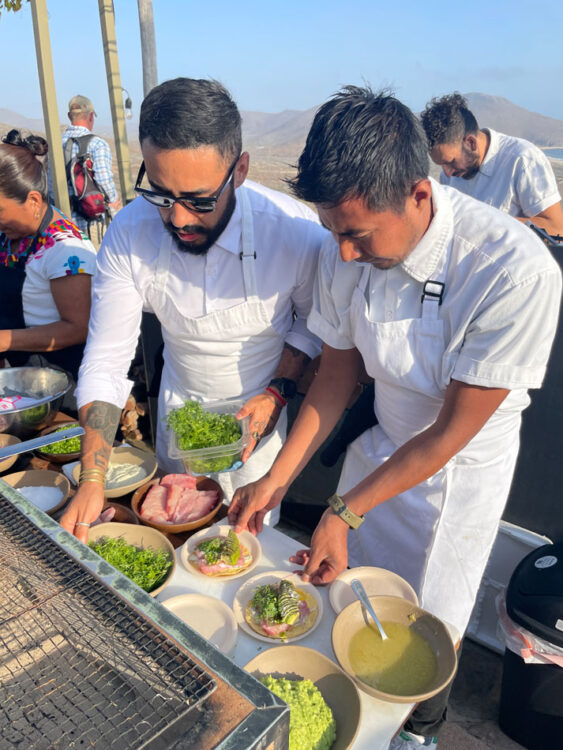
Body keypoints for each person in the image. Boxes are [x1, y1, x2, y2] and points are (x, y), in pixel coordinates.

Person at [228, 87, 562, 748]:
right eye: (333, 233)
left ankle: (417, 735)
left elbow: (446, 434)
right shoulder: (342, 249)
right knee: (349, 607)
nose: (343, 254)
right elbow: (335, 375)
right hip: (379, 454)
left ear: (417, 192)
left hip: (455, 476)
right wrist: (279, 480)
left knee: (425, 631)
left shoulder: (510, 272)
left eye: (356, 234)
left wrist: (340, 511)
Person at [60, 77, 326, 540]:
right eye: (161, 194)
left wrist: (278, 390)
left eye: (200, 200)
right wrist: (92, 478)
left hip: (257, 434)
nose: (179, 218)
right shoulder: (129, 232)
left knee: (246, 553)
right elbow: (106, 358)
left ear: (240, 170)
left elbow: (314, 323)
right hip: (179, 420)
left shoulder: (294, 232)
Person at [0, 129, 96, 380]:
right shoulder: (9, 234)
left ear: (32, 200)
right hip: (20, 371)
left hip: (58, 378)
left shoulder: (64, 249)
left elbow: (78, 328)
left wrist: (4, 340)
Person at [420, 93, 563, 236]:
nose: (447, 173)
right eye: (441, 165)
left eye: (451, 162)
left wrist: (486, 222)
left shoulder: (523, 159)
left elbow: (556, 228)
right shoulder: (449, 175)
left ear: (471, 143)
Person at [60, 95, 120, 236]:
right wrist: (113, 200)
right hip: (91, 221)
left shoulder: (56, 143)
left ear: (69, 116)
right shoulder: (97, 144)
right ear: (91, 116)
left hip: (63, 222)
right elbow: (103, 179)